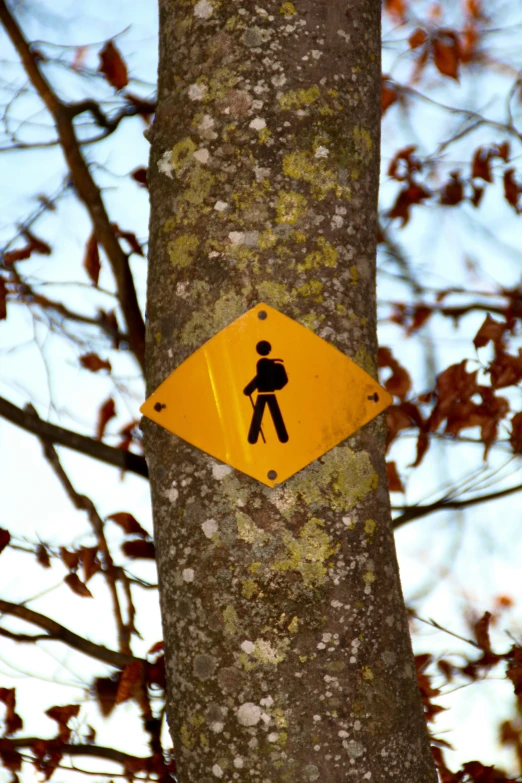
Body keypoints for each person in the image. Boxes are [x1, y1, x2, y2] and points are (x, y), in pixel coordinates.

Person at [243, 340, 289, 444]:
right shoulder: (267, 364)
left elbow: (257, 379)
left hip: (262, 394)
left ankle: (253, 438)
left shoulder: (262, 365)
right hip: (269, 394)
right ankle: (283, 437)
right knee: (275, 414)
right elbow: (258, 379)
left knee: (259, 415)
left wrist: (248, 390)